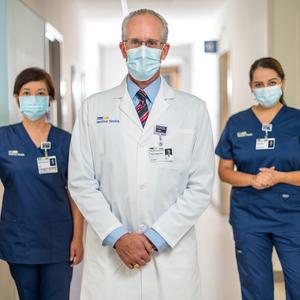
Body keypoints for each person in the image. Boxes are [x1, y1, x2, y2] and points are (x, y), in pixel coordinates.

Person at [68, 8, 214, 300]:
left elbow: (200, 187)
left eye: (151, 42)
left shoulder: (193, 109)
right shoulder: (93, 108)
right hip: (111, 254)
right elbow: (81, 181)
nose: (143, 50)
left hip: (171, 253)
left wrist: (154, 238)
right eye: (135, 42)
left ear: (165, 49)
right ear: (123, 48)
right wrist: (118, 236)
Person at [216, 57, 300, 300]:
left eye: (272, 82)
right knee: (256, 288)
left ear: (282, 82)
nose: (266, 89)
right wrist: (253, 180)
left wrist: (279, 177)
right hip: (249, 217)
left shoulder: (296, 121)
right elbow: (224, 171)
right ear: (251, 87)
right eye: (259, 84)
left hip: (292, 217)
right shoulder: (237, 123)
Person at [0, 67, 84, 300]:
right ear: (17, 98)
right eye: (26, 93)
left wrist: (77, 237)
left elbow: (76, 193)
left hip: (58, 240)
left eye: (40, 92)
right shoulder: (3, 139)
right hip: (20, 239)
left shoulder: (66, 141)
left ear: (50, 99)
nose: (33, 98)